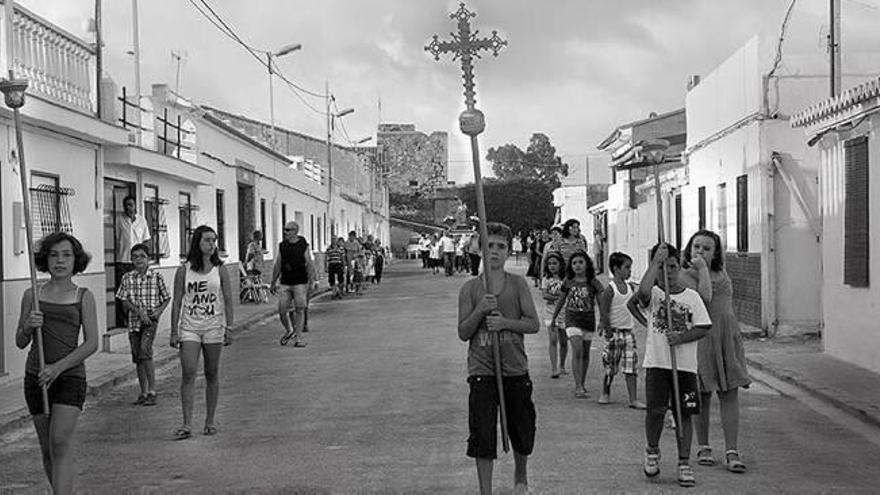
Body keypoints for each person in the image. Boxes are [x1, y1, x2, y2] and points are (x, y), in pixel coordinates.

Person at [457, 222, 539, 495]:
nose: (494, 252)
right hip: (482, 368)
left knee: (521, 429)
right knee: (483, 433)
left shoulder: (518, 285)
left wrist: (504, 322)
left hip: (514, 367)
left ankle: (521, 478)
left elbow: (532, 324)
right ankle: (485, 490)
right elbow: (463, 332)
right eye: (489, 245)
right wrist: (480, 310)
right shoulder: (470, 289)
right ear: (480, 249)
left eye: (501, 247)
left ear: (508, 250)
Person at [16, 232, 98, 494]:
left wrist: (57, 368)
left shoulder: (83, 295)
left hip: (69, 377)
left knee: (59, 440)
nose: (59, 261)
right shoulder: (33, 294)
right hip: (36, 377)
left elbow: (92, 343)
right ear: (45, 260)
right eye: (53, 255)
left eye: (66, 255)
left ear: (76, 260)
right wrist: (29, 326)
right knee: (48, 449)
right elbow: (19, 341)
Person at [628, 242, 711, 488]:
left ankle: (684, 462)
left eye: (672, 266)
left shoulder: (692, 297)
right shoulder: (654, 294)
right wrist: (655, 263)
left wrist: (682, 338)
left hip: (685, 367)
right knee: (655, 410)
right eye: (663, 267)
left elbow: (703, 327)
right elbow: (640, 296)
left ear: (679, 267)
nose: (668, 271)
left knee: (684, 413)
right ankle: (652, 450)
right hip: (657, 363)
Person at [681, 230, 751, 473]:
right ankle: (703, 446)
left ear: (716, 252)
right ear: (689, 249)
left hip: (726, 337)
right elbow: (704, 298)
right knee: (702, 394)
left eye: (707, 248)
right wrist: (701, 269)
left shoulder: (721, 272)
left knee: (729, 393)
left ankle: (732, 450)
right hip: (703, 338)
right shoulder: (685, 276)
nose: (700, 251)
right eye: (696, 246)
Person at [169, 226, 233, 440]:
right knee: (188, 372)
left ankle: (210, 420)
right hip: (190, 327)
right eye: (207, 240)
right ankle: (186, 423)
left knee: (211, 372)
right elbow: (177, 300)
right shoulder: (184, 270)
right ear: (198, 242)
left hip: (214, 326)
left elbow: (228, 298)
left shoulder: (220, 269)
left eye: (214, 240)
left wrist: (229, 326)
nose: (212, 244)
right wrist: (174, 331)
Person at [116, 243, 170, 406]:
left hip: (150, 321)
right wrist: (139, 312)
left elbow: (167, 297)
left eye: (142, 256)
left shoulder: (156, 276)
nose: (138, 260)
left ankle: (152, 390)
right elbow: (123, 299)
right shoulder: (127, 278)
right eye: (135, 257)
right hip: (134, 321)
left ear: (148, 259)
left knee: (145, 352)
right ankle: (143, 391)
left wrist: (158, 312)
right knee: (138, 356)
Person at [551, 250, 604, 398]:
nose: (577, 265)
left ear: (587, 264)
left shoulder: (593, 282)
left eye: (581, 262)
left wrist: (603, 320)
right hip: (572, 319)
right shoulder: (568, 282)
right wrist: (554, 317)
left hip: (588, 320)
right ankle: (578, 386)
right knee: (578, 349)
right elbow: (561, 300)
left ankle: (582, 382)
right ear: (571, 266)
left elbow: (601, 301)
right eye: (574, 263)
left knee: (585, 354)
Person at [597, 252, 645, 409]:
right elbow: (604, 311)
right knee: (610, 367)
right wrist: (607, 330)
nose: (630, 271)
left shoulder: (631, 288)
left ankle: (633, 398)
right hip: (614, 332)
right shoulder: (610, 290)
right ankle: (605, 391)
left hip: (628, 333)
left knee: (631, 367)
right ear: (616, 269)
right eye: (627, 268)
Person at [270, 221, 316, 347]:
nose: (286, 232)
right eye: (285, 229)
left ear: (296, 231)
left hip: (300, 282)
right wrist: (273, 281)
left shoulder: (303, 244)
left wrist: (312, 281)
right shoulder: (282, 246)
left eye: (288, 230)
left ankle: (298, 338)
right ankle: (289, 330)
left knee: (300, 309)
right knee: (282, 309)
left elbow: (309, 262)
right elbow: (278, 264)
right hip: (285, 282)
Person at [115, 195, 151, 327]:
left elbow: (146, 239)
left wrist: (145, 258)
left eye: (131, 204)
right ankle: (123, 320)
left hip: (138, 262)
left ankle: (138, 317)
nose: (128, 207)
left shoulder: (142, 220)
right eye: (126, 205)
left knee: (137, 291)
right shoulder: (119, 220)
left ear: (135, 205)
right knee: (123, 292)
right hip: (122, 260)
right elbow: (116, 239)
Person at [541, 251, 568, 379]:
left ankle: (562, 365)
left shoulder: (565, 279)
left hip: (564, 313)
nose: (552, 266)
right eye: (550, 263)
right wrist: (559, 296)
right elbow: (545, 295)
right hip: (550, 313)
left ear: (560, 265)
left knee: (563, 341)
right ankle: (554, 368)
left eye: (555, 263)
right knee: (553, 340)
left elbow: (568, 294)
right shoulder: (546, 279)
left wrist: (559, 298)